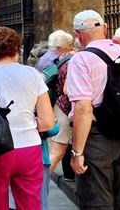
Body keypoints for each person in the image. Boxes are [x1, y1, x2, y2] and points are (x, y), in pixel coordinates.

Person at [0, 27, 54, 210]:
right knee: (30, 204)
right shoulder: (33, 75)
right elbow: (47, 121)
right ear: (17, 49)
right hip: (29, 147)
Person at [67, 10, 120, 209]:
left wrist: (77, 152)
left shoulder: (81, 60)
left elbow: (83, 109)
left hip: (97, 139)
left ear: (78, 34)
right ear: (106, 28)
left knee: (97, 202)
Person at [45, 31, 75, 176]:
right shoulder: (72, 60)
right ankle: (36, 185)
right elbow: (67, 90)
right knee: (57, 152)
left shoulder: (56, 58)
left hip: (57, 107)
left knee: (58, 150)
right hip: (65, 109)